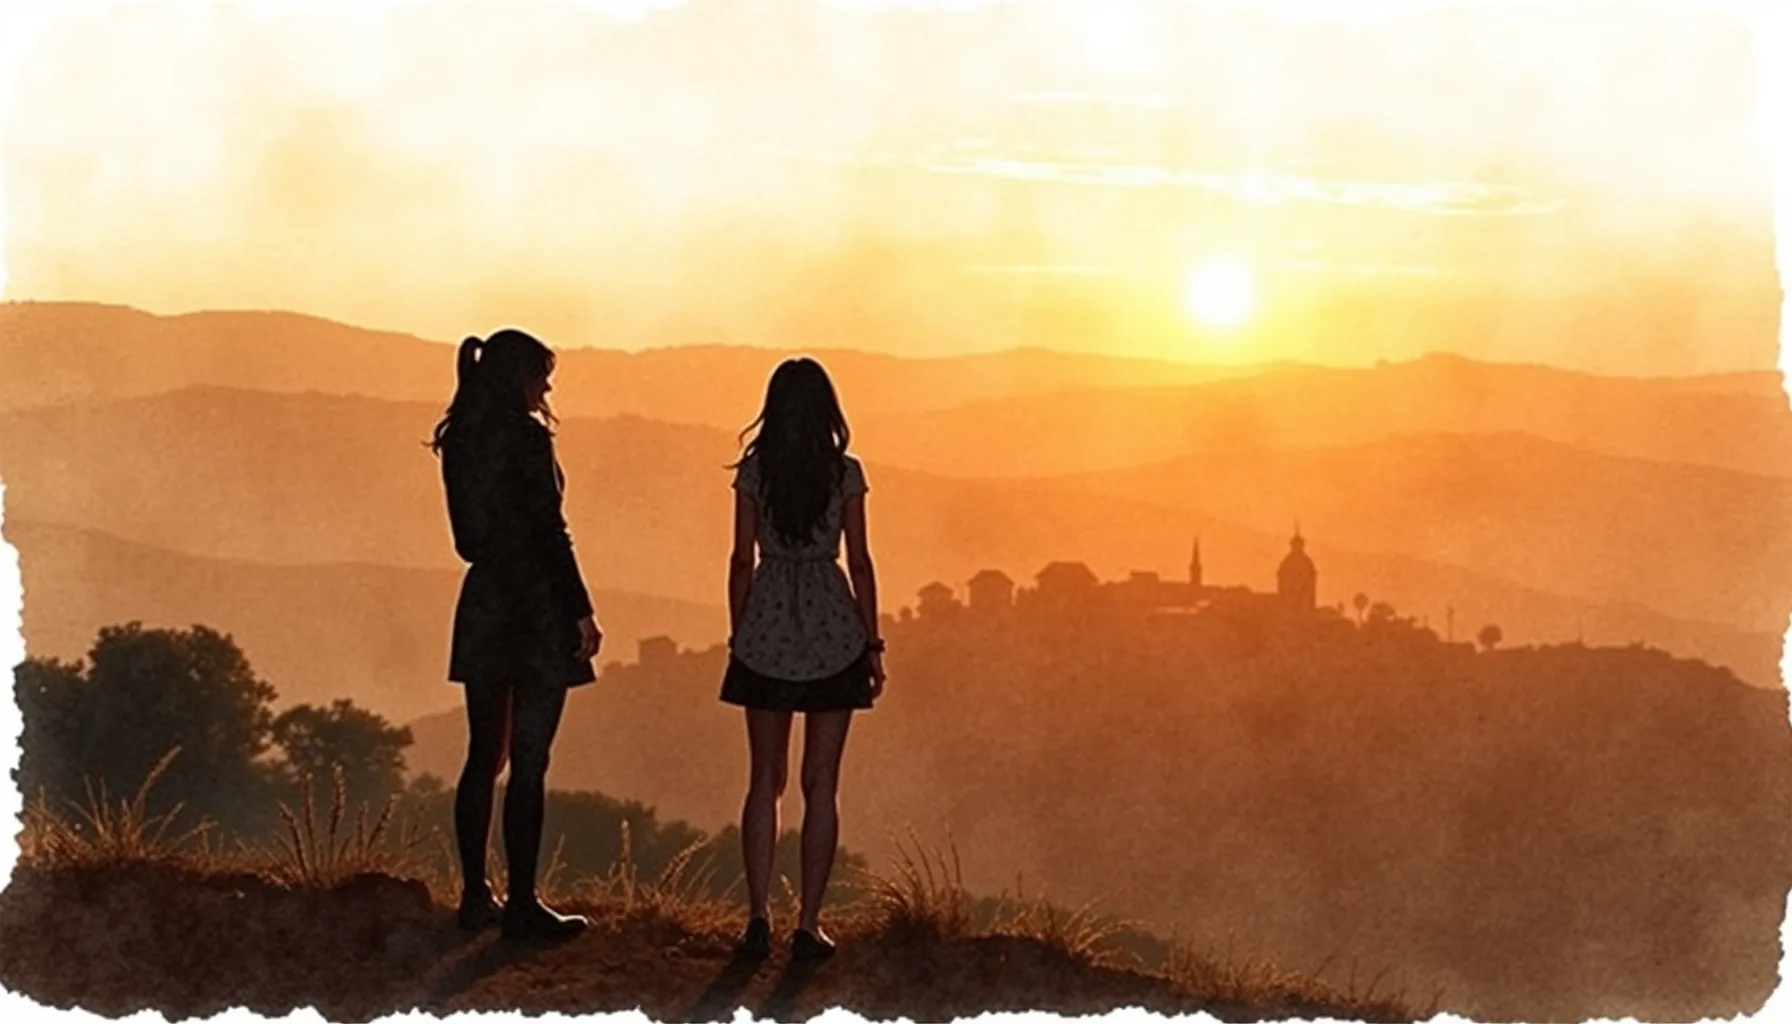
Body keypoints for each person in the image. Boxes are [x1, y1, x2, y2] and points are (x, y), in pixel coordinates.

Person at [428, 328, 603, 940]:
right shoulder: (528, 439)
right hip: (535, 607)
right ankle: (524, 904)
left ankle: (475, 894)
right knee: (529, 760)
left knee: (483, 754)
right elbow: (551, 531)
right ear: (519, 379)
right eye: (541, 377)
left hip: (483, 600)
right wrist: (580, 609)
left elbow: (467, 539)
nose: (546, 390)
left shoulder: (460, 439)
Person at [721, 357, 886, 963]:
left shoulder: (754, 473)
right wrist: (872, 642)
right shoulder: (845, 474)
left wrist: (740, 630)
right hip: (833, 628)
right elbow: (860, 562)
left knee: (764, 780)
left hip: (765, 624)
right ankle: (809, 924)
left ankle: (757, 916)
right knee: (822, 784)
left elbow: (741, 560)